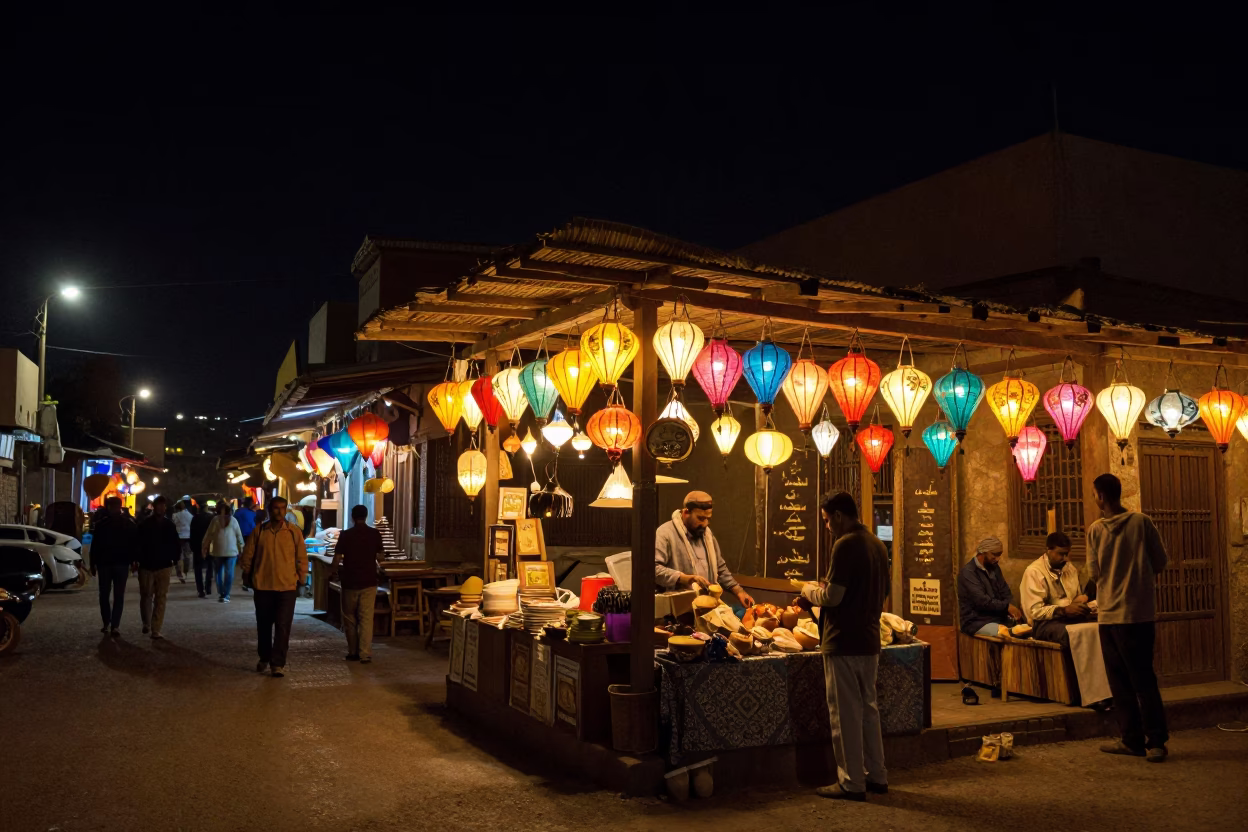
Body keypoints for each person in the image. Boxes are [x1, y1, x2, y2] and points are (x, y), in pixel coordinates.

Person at [794, 492, 889, 802]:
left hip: (844, 640)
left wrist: (808, 590)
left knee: (845, 713)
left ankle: (851, 782)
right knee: (868, 710)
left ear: (837, 516)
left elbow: (832, 597)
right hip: (870, 639)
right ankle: (877, 775)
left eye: (826, 520)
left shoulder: (845, 544)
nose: (826, 527)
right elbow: (882, 591)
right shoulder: (876, 544)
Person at [1088, 473, 1170, 762]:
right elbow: (1160, 561)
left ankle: (1131, 739)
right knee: (1144, 679)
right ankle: (1156, 742)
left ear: (1100, 496)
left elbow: (1094, 573)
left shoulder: (1095, 530)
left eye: (1094, 494)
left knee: (1120, 681)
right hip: (1139, 614)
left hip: (1109, 615)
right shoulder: (1142, 522)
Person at [1020, 531, 1112, 707]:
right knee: (1075, 636)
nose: (1065, 558)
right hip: (1044, 624)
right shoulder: (1034, 572)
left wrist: (1083, 606)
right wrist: (1063, 610)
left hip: (1068, 618)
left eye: (1067, 553)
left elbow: (1074, 599)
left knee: (1100, 630)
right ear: (1048, 550)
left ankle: (1105, 691)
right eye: (1061, 554)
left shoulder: (1070, 569)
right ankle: (1083, 694)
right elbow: (1033, 612)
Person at [239, 496, 308, 678]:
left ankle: (277, 664)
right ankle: (264, 656)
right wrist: (246, 572)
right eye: (276, 508)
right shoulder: (259, 531)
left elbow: (301, 557)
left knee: (283, 626)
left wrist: (301, 579)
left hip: (287, 587)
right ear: (270, 510)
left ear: (286, 510)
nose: (279, 512)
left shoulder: (293, 532)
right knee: (264, 625)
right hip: (263, 586)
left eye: (282, 508)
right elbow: (248, 554)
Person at [654, 490, 755, 608]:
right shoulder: (665, 534)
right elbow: (654, 570)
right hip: (678, 609)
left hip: (708, 606)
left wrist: (739, 591)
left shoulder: (707, 535)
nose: (705, 523)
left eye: (708, 518)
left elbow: (720, 569)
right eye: (701, 518)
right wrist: (685, 578)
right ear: (686, 513)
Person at [329, 504, 384, 663]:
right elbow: (381, 557)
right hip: (369, 582)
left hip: (349, 582)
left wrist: (332, 573)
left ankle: (353, 652)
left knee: (350, 618)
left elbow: (337, 558)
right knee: (366, 618)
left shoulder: (345, 535)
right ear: (366, 516)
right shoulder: (375, 534)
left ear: (352, 517)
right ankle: (365, 654)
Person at [89, 496, 138, 637]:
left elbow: (95, 546)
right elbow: (133, 545)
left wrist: (93, 563)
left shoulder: (102, 524)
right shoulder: (127, 523)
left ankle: (109, 623)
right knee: (117, 595)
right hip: (119, 563)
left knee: (106, 594)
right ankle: (113, 624)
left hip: (107, 563)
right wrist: (134, 561)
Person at [957, 537, 1023, 636]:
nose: (997, 559)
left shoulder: (994, 568)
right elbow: (982, 601)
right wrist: (1006, 607)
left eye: (999, 555)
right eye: (994, 555)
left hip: (997, 618)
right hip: (975, 622)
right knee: (1007, 633)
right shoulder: (968, 573)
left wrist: (1011, 607)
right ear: (983, 553)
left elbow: (1005, 591)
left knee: (1025, 629)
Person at [135, 495, 181, 639]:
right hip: (147, 565)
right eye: (159, 505)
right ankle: (147, 622)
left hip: (163, 565)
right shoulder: (145, 524)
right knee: (146, 595)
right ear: (154, 507)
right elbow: (138, 543)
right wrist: (137, 559)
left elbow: (176, 544)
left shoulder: (169, 525)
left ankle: (155, 628)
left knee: (160, 597)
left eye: (163, 505)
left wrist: (174, 559)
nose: (161, 508)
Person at [203, 502, 245, 602]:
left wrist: (204, 546)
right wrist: (241, 548)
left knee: (218, 573)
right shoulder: (233, 520)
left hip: (218, 551)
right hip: (232, 552)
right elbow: (239, 536)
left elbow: (209, 534)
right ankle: (226, 594)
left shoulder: (215, 520)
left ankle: (222, 593)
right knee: (229, 573)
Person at [189, 503, 216, 598]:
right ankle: (208, 587)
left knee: (198, 568)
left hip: (197, 545)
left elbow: (192, 532)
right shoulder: (211, 518)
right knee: (210, 566)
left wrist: (192, 545)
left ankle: (200, 590)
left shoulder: (195, 518)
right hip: (209, 545)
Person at [172, 500, 193, 583]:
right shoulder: (189, 515)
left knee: (178, 556)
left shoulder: (175, 515)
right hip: (187, 536)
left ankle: (179, 573)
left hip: (178, 537)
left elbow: (173, 525)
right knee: (187, 555)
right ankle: (185, 571)